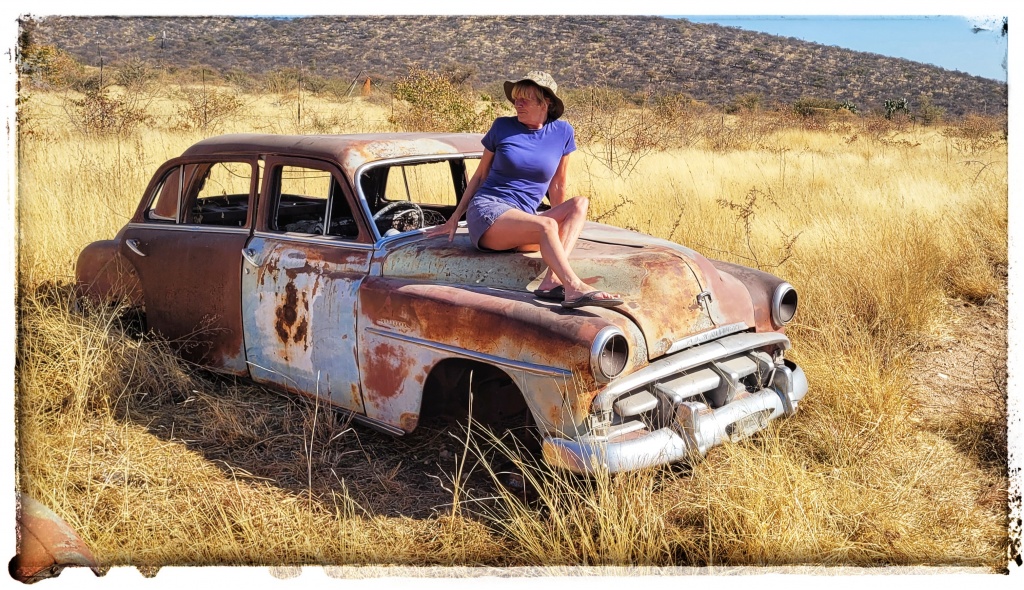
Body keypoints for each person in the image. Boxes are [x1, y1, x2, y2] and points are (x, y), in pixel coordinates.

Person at [430, 71, 622, 309]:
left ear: (546, 102)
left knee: (579, 203)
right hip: (489, 211)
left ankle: (552, 280)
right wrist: (455, 217)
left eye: (525, 99)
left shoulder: (563, 132)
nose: (517, 104)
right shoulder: (502, 127)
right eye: (516, 99)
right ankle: (574, 287)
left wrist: (561, 221)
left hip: (524, 219)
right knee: (547, 226)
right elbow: (480, 175)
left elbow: (558, 184)